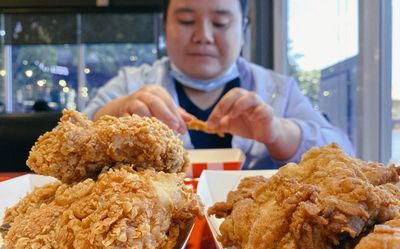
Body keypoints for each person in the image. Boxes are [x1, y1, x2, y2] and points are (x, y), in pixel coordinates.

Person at [83, 0, 353, 169]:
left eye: (221, 23)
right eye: (186, 21)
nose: (204, 36)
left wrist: (279, 133)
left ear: (243, 29)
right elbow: (74, 138)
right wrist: (114, 116)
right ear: (165, 26)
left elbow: (345, 157)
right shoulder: (133, 83)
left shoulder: (277, 90)